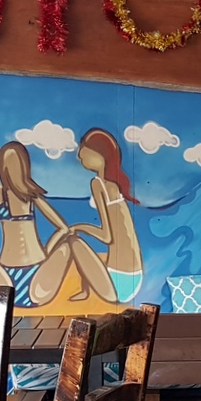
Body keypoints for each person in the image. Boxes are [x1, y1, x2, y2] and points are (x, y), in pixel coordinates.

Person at [0, 141, 78, 307]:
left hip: (17, 280)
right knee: (71, 244)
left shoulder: (24, 194)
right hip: (23, 278)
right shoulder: (9, 193)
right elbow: (63, 229)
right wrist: (45, 252)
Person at [62, 129, 144, 303]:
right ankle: (85, 289)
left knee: (73, 241)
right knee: (85, 247)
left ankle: (85, 290)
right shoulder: (113, 187)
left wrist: (79, 227)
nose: (79, 155)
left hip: (118, 282)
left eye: (83, 149)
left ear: (99, 155)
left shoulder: (98, 184)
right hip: (134, 277)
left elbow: (107, 236)